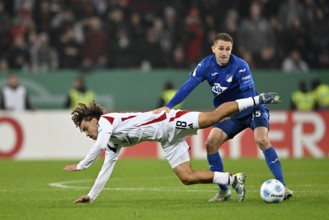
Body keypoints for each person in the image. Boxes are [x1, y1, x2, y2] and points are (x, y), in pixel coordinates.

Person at [64, 92, 281, 203]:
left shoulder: (106, 122)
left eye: (85, 128)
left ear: (94, 120)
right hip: (167, 139)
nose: (87, 134)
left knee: (214, 117)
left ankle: (257, 99)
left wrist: (82, 166)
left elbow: (99, 144)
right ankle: (233, 180)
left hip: (168, 121)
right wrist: (91, 196)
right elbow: (106, 167)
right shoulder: (111, 141)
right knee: (187, 177)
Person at [153, 33, 293, 202]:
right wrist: (169, 106)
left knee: (262, 140)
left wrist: (226, 112)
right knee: (211, 143)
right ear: (213, 48)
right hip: (230, 115)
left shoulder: (241, 66)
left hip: (252, 109)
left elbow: (249, 97)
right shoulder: (205, 65)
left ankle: (283, 187)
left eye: (228, 49)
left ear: (231, 50)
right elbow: (188, 86)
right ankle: (224, 191)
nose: (224, 52)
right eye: (221, 48)